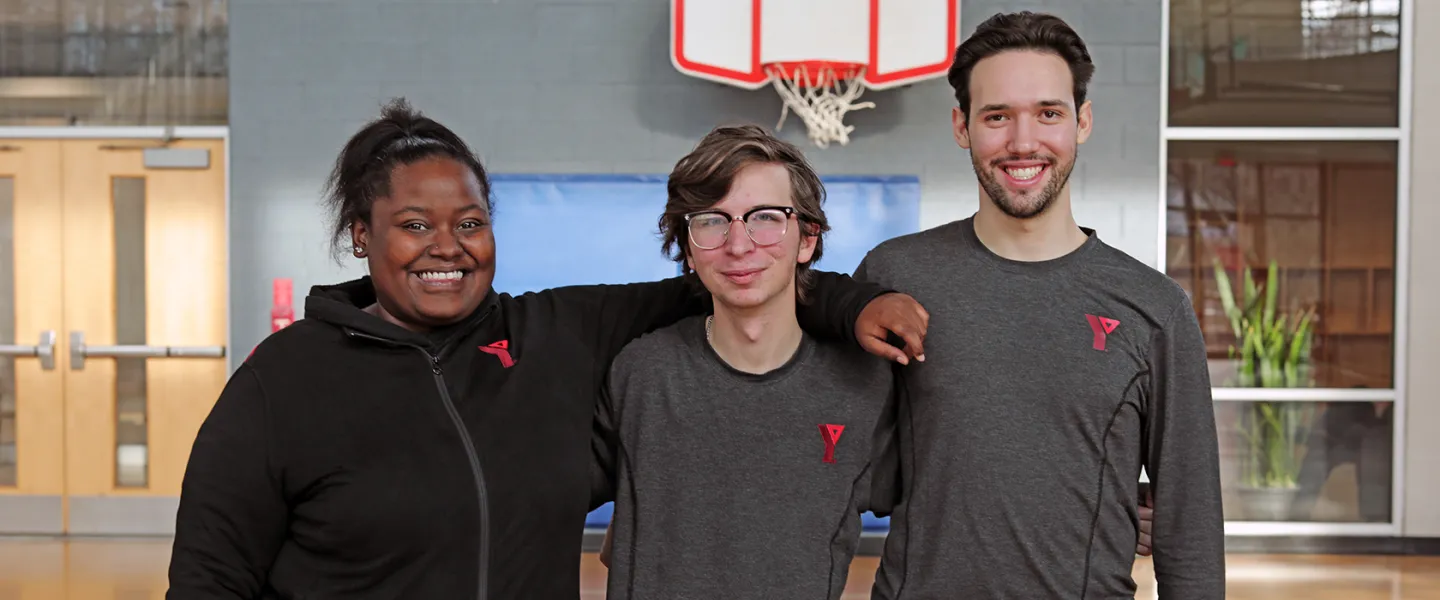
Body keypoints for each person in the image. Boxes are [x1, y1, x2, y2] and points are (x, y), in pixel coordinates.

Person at [164, 99, 931, 600]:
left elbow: (736, 281)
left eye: (468, 222)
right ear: (361, 234)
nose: (447, 247)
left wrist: (852, 301)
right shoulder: (283, 381)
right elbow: (209, 577)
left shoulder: (558, 336)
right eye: (413, 224)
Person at [855, 11, 1226, 599]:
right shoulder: (895, 276)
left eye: (1048, 113)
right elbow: (859, 467)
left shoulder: (1155, 309)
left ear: (1082, 121)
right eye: (997, 116)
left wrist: (1097, 499)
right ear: (961, 125)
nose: (1023, 142)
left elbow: (1192, 525)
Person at [589, 124, 902, 599]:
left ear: (807, 239)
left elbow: (936, 518)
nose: (739, 245)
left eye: (766, 217)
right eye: (712, 221)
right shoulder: (639, 373)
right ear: (689, 248)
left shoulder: (864, 386)